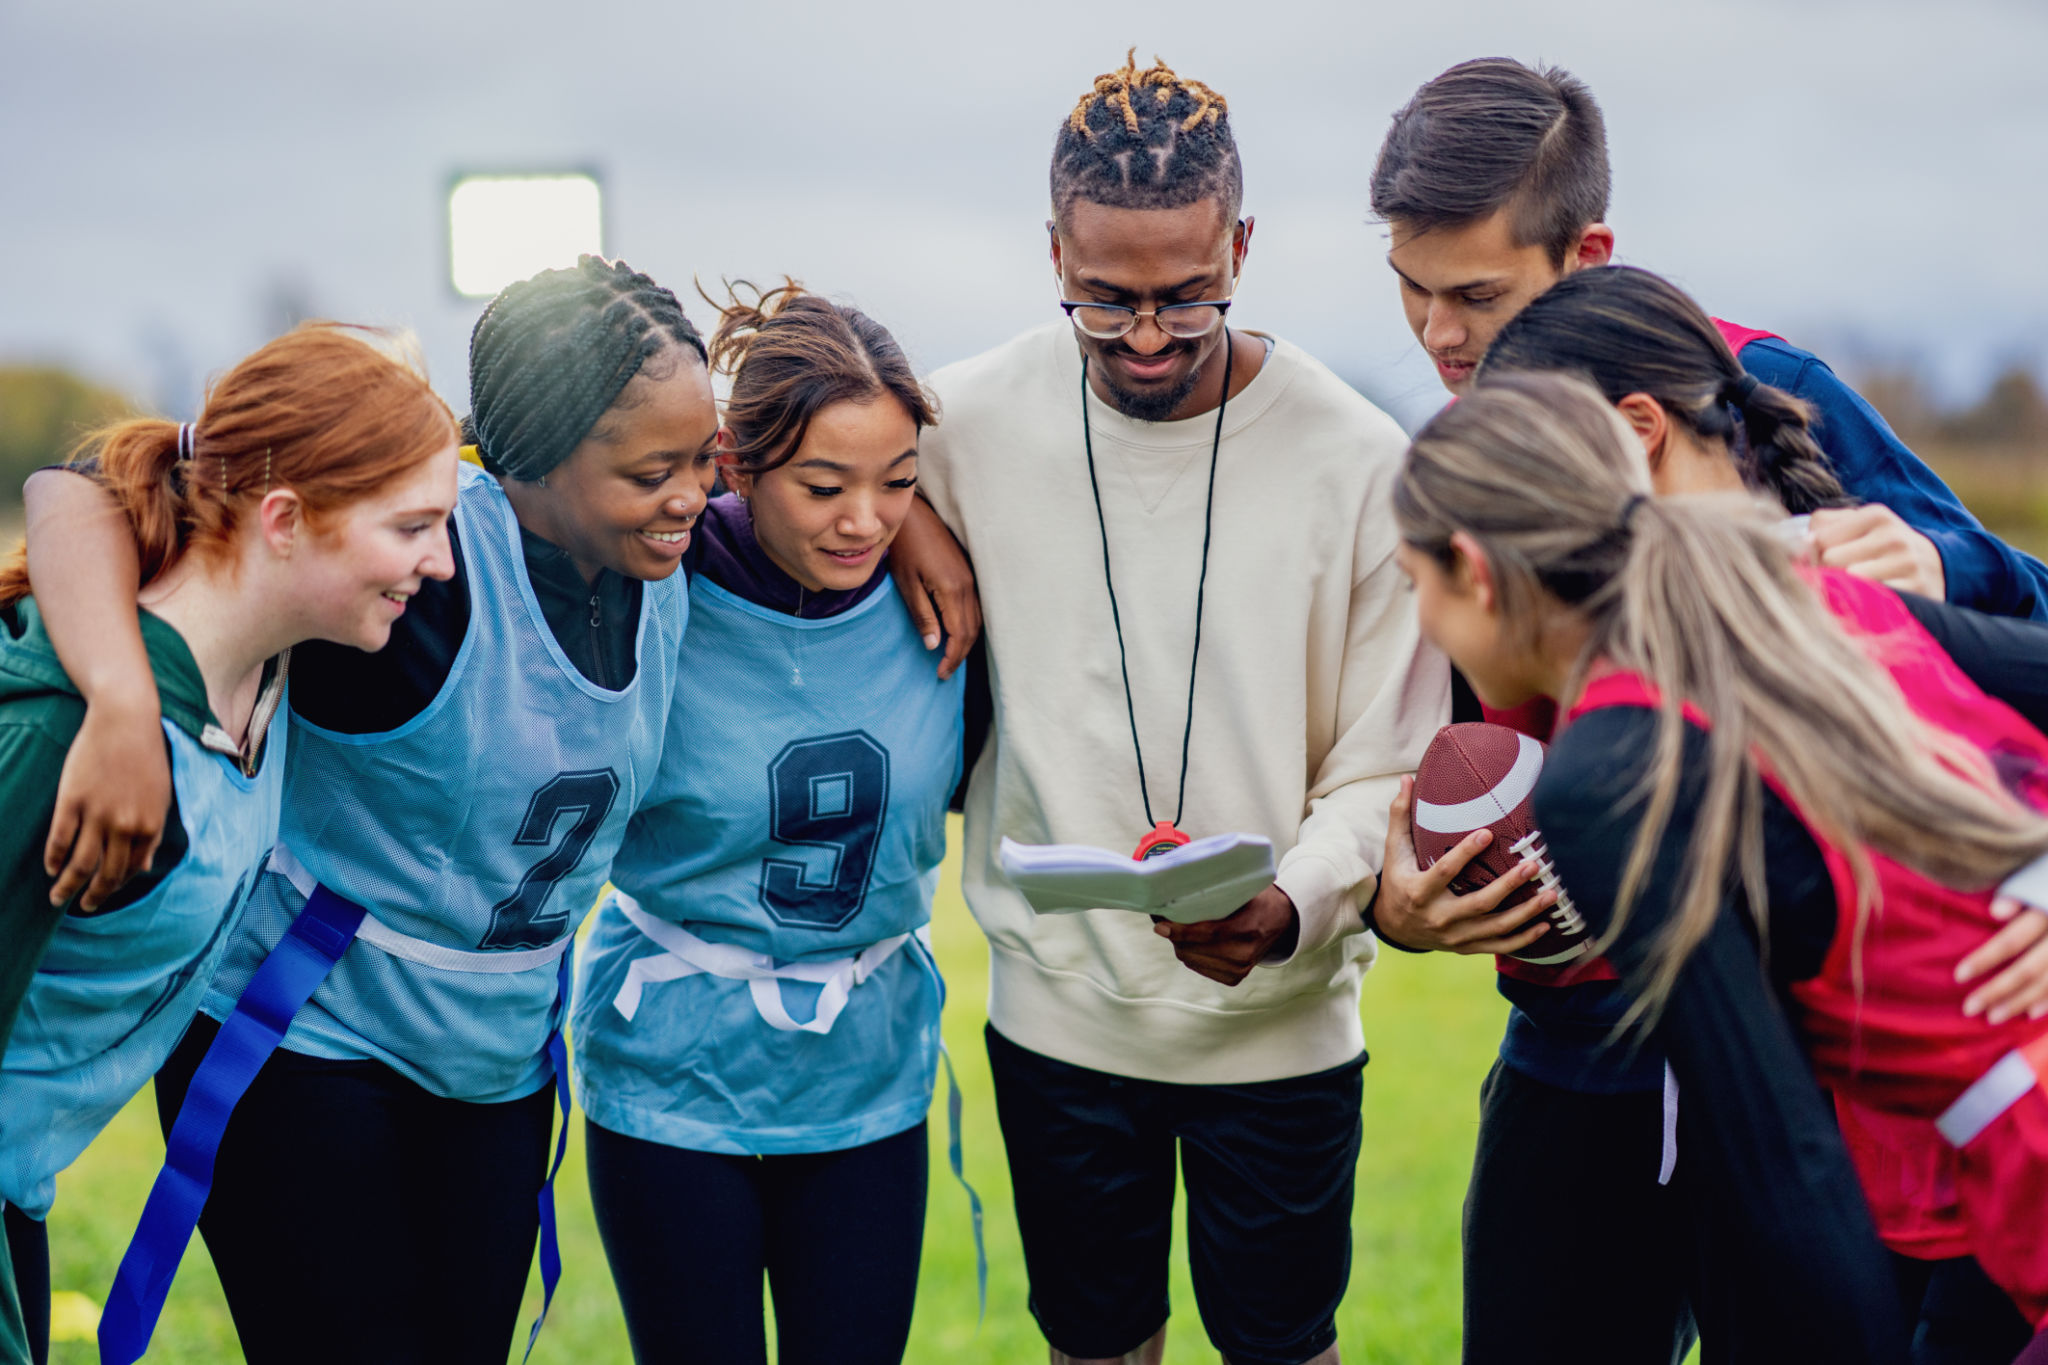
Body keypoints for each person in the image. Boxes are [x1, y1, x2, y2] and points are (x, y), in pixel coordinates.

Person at [1362, 59, 2048, 1365]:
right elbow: (1442, 745)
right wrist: (1398, 902)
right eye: (1411, 289)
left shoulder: (1760, 425)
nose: (1444, 338)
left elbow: (2002, 685)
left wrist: (1950, 572)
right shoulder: (1463, 480)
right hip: (1586, 1025)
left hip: (1828, 1041)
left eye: (1481, 297)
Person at [21, 256, 714, 1365]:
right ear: (529, 460)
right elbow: (75, 495)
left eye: (704, 458)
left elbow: (828, 506)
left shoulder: (675, 554)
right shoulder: (412, 569)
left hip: (494, 1059)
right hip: (306, 1039)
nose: (689, 493)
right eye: (651, 470)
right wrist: (117, 694)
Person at [913, 51, 1446, 1365]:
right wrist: (916, 520)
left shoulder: (1361, 462)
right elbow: (767, 452)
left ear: (1243, 248)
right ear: (1052, 250)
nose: (1145, 336)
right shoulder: (955, 422)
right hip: (1057, 1020)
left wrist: (1292, 905)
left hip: (1283, 1029)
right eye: (1103, 303)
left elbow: (1386, 763)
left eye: (1184, 298)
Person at [0, 322, 461, 1365]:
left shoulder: (269, 671)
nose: (441, 563)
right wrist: (116, 705)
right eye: (412, 528)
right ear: (286, 519)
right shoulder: (58, 738)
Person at [569, 280, 965, 1365]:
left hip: (864, 1076)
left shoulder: (944, 589)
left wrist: (917, 518)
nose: (864, 520)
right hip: (670, 1070)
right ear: (733, 467)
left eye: (897, 485)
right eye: (825, 485)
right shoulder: (651, 580)